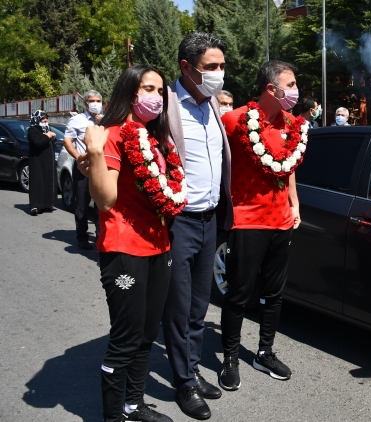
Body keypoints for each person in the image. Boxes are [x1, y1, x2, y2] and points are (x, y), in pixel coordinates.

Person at [79, 64, 178, 422]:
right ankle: (112, 415)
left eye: (159, 91)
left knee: (148, 333)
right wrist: (92, 154)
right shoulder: (112, 134)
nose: (155, 97)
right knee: (126, 337)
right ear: (129, 92)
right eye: (147, 89)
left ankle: (133, 405)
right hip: (124, 249)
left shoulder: (154, 136)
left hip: (160, 245)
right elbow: (104, 201)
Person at [219, 60, 304, 392]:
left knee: (274, 293)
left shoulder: (292, 124)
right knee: (239, 293)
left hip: (281, 222)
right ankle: (229, 358)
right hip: (247, 222)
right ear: (273, 88)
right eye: (292, 84)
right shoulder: (234, 119)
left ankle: (265, 352)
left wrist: (295, 204)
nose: (296, 91)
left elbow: (289, 167)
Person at [161, 32, 233, 420]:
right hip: (178, 222)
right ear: (187, 68)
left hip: (210, 221)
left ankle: (190, 369)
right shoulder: (165, 107)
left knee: (198, 305)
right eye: (211, 67)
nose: (219, 74)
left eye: (222, 66)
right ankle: (183, 383)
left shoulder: (213, 108)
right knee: (177, 306)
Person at [64, 90, 103, 249]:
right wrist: (78, 156)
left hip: (101, 168)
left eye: (98, 101)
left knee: (101, 205)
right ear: (86, 103)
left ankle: (101, 237)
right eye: (92, 100)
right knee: (82, 203)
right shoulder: (77, 120)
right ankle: (82, 237)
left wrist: (102, 123)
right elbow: (67, 141)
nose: (95, 104)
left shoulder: (106, 120)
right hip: (84, 168)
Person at [27, 110, 58, 216]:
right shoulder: (32, 130)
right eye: (42, 118)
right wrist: (47, 136)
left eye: (46, 118)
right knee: (37, 181)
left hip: (48, 160)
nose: (45, 120)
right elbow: (37, 143)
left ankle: (47, 204)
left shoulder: (47, 129)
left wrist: (53, 137)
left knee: (48, 180)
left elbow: (49, 143)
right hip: (37, 161)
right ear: (36, 119)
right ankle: (35, 205)